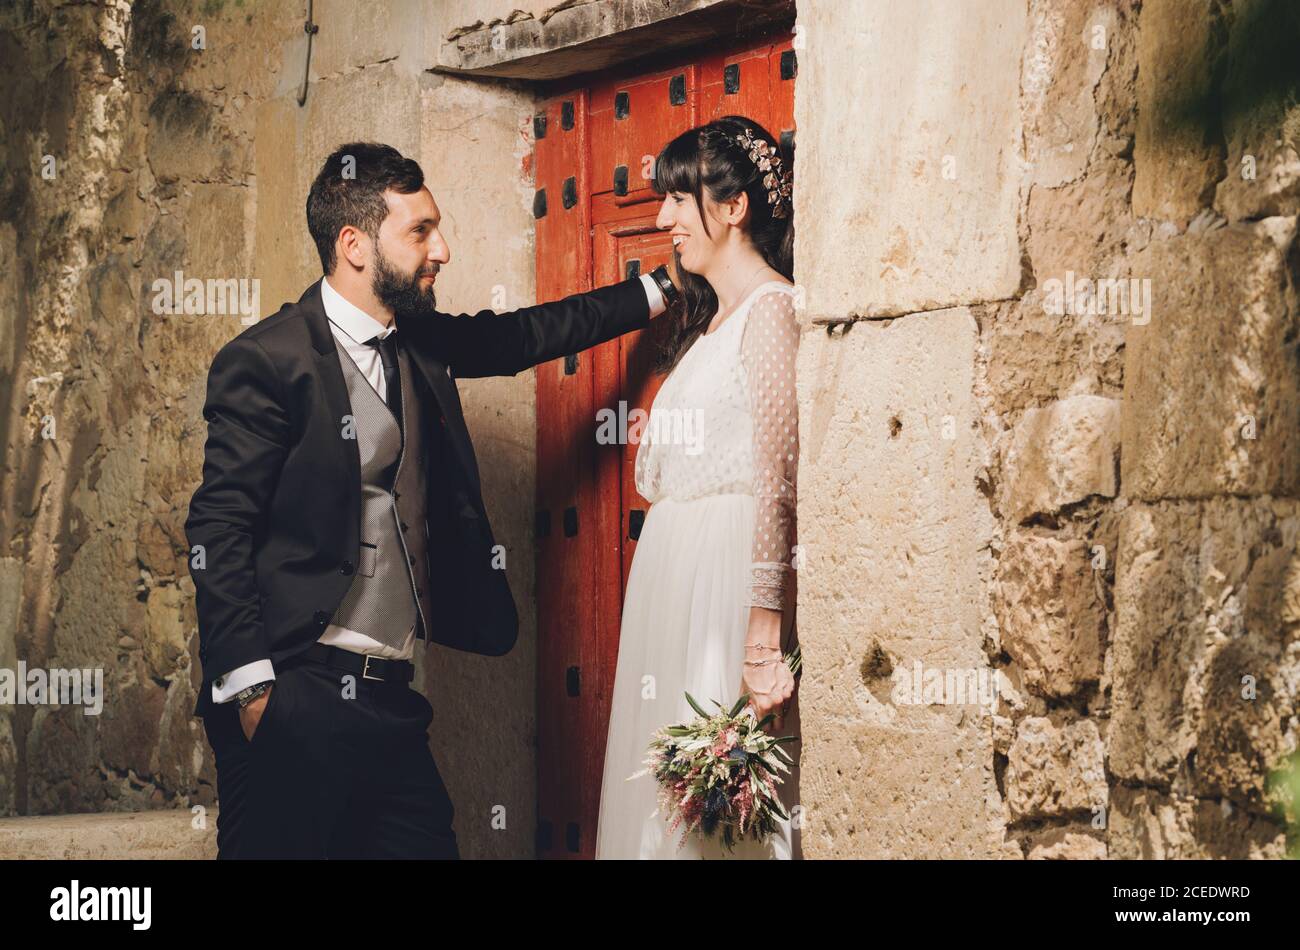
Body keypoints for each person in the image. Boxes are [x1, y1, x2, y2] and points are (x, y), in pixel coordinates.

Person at [186, 141, 672, 858]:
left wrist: (659, 289)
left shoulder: (417, 341)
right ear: (353, 244)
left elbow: (520, 337)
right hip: (297, 690)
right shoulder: (267, 361)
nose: (441, 248)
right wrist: (256, 693)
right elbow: (217, 526)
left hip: (390, 698)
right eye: (420, 231)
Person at [595, 116, 801, 859]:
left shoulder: (774, 311)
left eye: (681, 199)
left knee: (718, 820)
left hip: (722, 584)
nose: (662, 218)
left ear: (735, 206)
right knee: (664, 804)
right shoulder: (713, 324)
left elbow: (777, 480)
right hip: (672, 582)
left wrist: (762, 633)